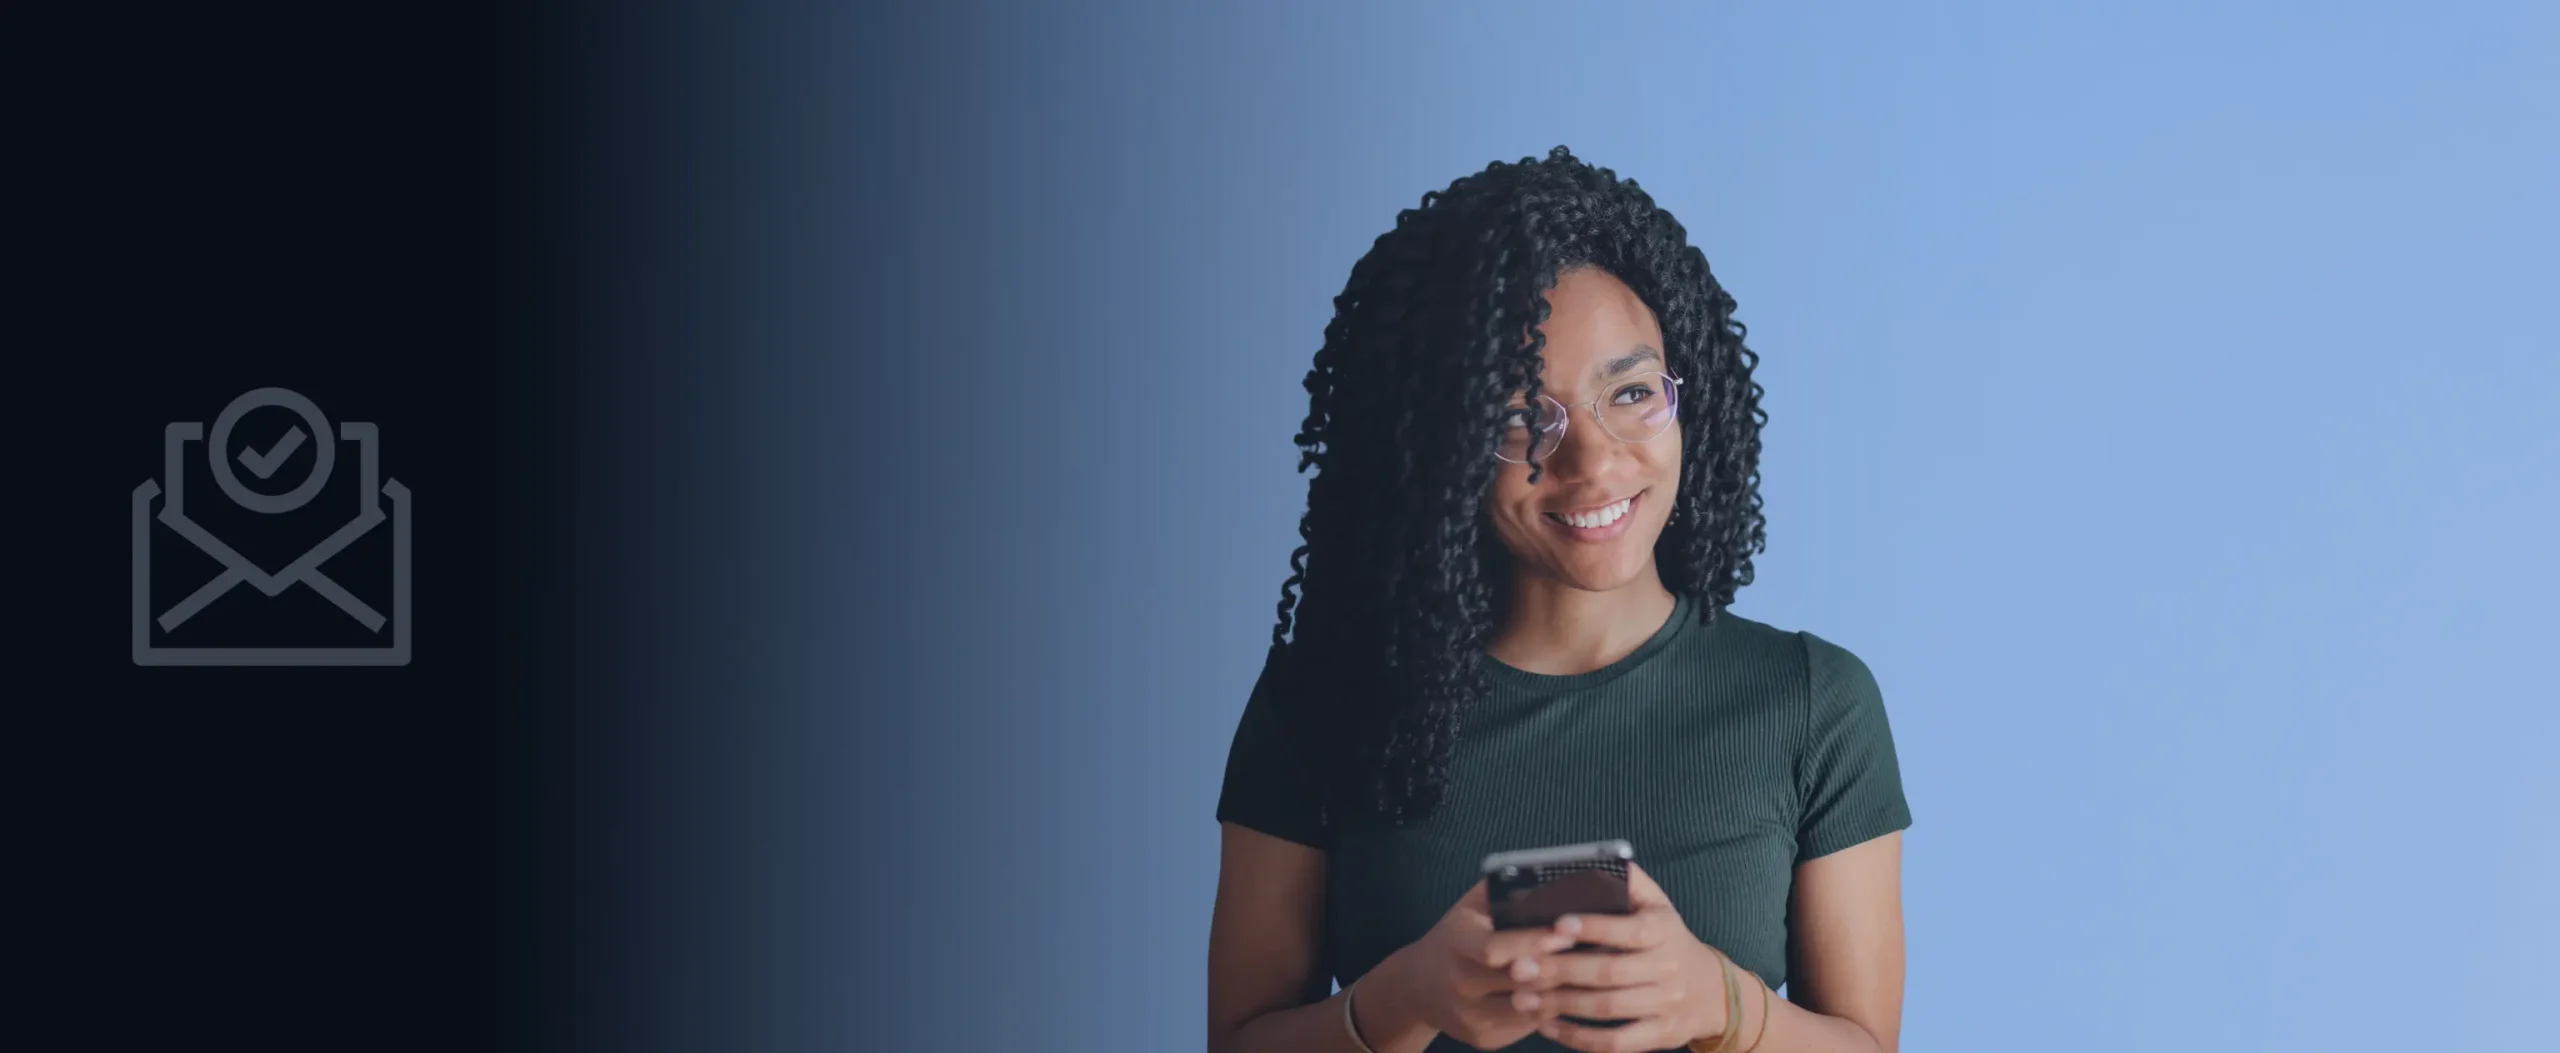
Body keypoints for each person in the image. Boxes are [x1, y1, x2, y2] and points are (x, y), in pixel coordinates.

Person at [1207, 147, 1912, 1053]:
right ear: (1442, 445)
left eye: (1629, 392)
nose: (1594, 461)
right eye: (1516, 420)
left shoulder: (1813, 703)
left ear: (1684, 390)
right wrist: (1406, 996)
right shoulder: (1319, 704)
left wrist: (1720, 1002)